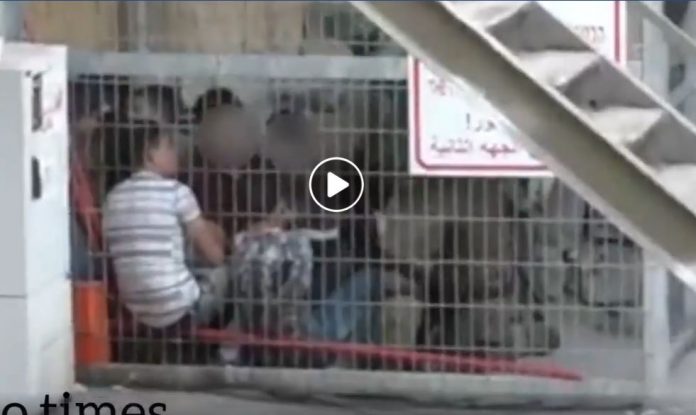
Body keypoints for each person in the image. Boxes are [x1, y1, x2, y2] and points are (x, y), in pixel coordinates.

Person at [102, 122, 228, 330]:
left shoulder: (112, 198)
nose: (176, 152)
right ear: (149, 154)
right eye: (169, 146)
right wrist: (226, 254)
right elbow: (214, 255)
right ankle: (223, 344)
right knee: (225, 275)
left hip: (135, 310)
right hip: (181, 309)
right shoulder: (176, 192)